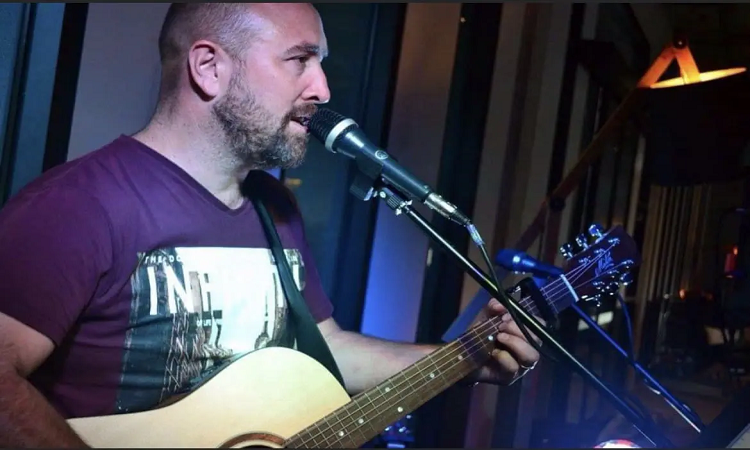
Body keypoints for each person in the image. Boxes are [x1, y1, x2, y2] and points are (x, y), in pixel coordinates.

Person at [0, 3, 541, 447]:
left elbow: (327, 349)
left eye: (320, 63)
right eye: (299, 60)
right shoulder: (77, 206)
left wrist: (464, 357)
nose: (322, 89)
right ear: (209, 68)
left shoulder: (274, 206)